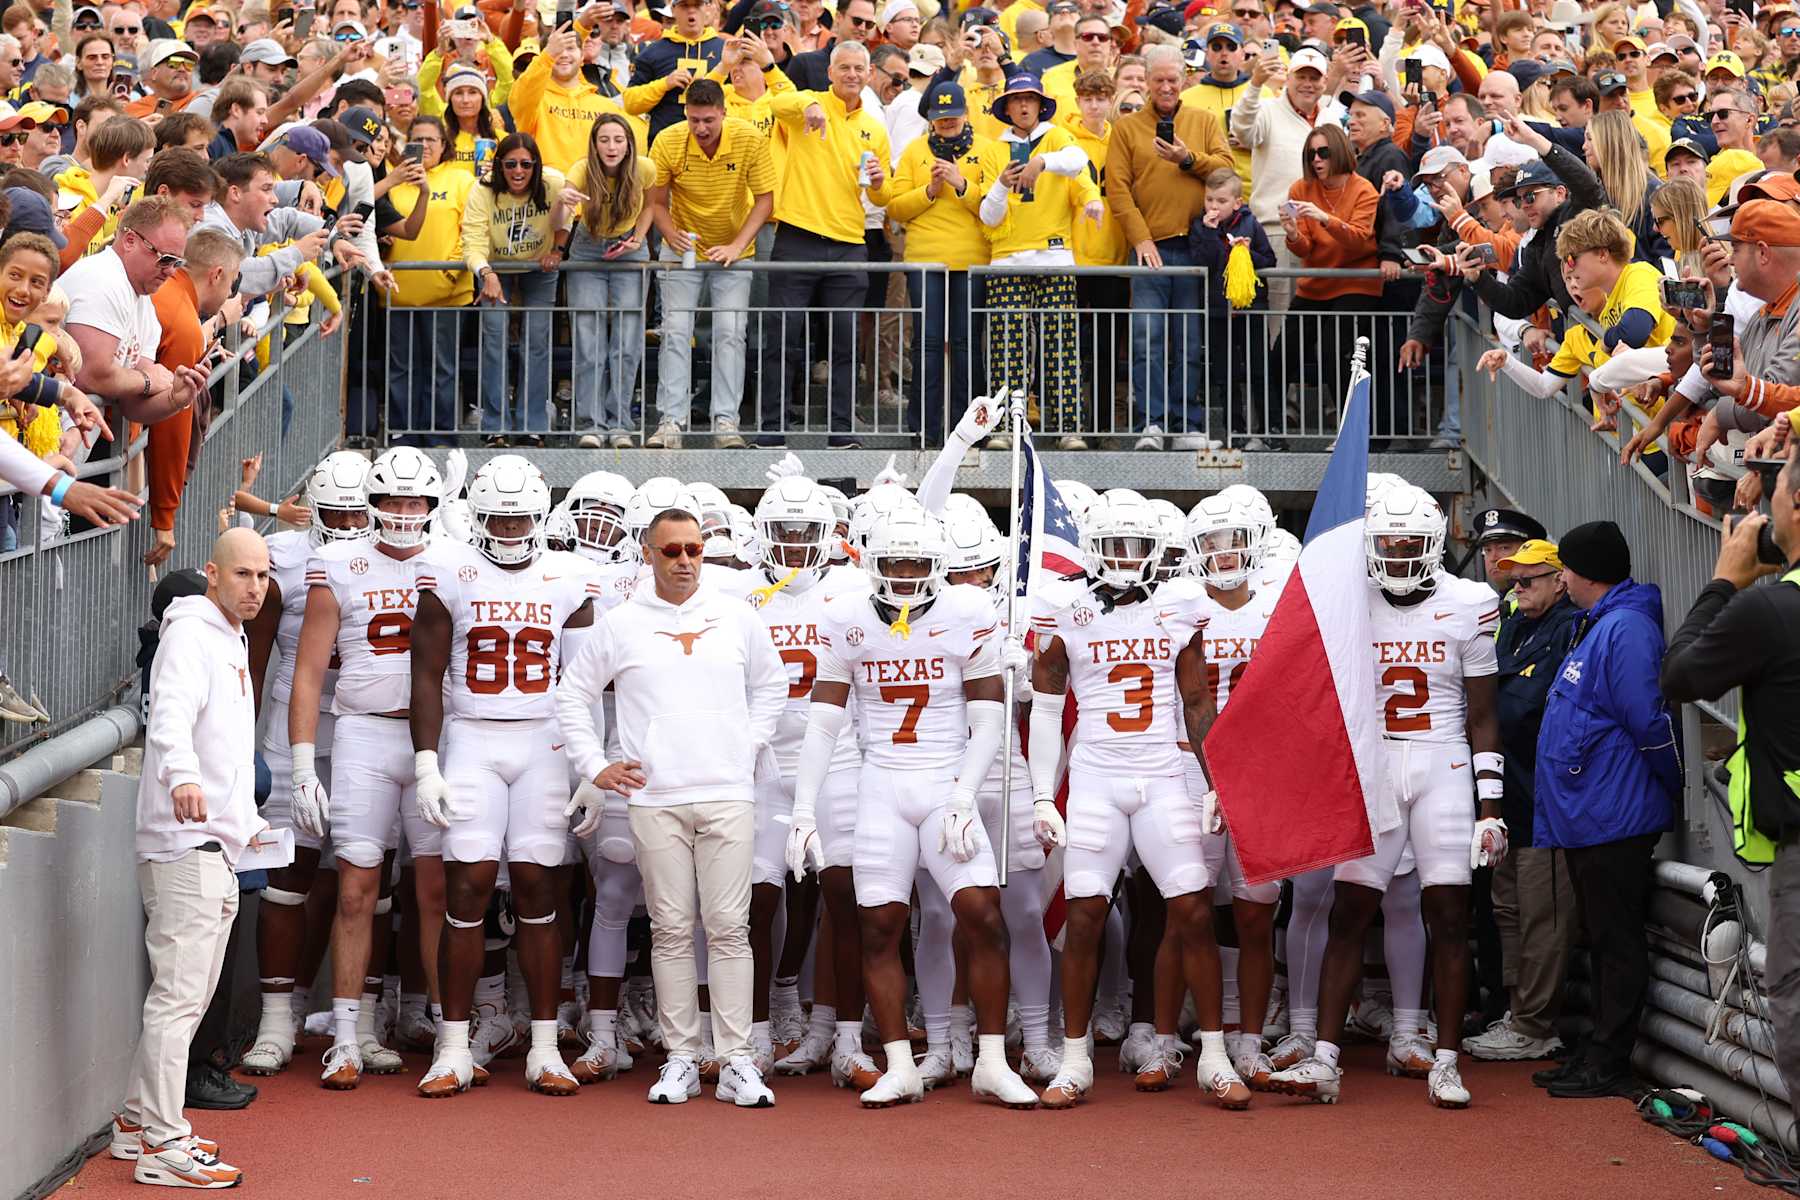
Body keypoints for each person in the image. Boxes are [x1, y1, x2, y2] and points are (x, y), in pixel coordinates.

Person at [787, 505, 1039, 1108]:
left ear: (939, 565)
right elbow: (822, 724)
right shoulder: (846, 617)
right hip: (881, 784)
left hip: (946, 779)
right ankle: (900, 1063)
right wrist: (802, 810)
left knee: (983, 915)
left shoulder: (968, 611)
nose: (904, 572)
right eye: (894, 561)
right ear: (872, 562)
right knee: (879, 926)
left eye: (917, 562)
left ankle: (993, 1062)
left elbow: (989, 720)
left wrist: (962, 794)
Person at [1270, 486, 1505, 1109]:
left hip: (1441, 764)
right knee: (1350, 912)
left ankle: (1447, 1061)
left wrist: (1491, 806)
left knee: (1450, 914)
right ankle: (1325, 1058)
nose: (1399, 556)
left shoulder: (1469, 603)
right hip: (1374, 770)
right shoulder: (1353, 602)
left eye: (1411, 545)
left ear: (1436, 547)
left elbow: (1483, 714)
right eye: (1387, 545)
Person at [555, 506, 788, 1107]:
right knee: (671, 930)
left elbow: (773, 685)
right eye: (671, 551)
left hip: (728, 794)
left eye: (693, 550)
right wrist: (594, 766)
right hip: (654, 799)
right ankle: (682, 1057)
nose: (684, 561)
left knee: (731, 930)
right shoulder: (621, 623)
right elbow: (573, 693)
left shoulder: (736, 616)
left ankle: (735, 1059)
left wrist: (749, 742)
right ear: (648, 553)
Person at [1027, 489, 1249, 1110]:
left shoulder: (1179, 605)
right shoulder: (1066, 606)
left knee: (1195, 912)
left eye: (1138, 548)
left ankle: (1213, 1055)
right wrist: (1045, 794)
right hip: (1097, 777)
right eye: (1114, 547)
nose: (1126, 559)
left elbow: (1198, 702)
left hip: (1160, 773)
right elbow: (1046, 707)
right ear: (1093, 551)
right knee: (1085, 916)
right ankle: (1075, 1060)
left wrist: (1214, 781)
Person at [408, 456, 595, 1098]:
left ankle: (544, 1045)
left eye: (520, 517)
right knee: (469, 887)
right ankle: (453, 1045)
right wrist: (426, 761)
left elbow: (585, 685)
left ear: (541, 515)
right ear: (477, 517)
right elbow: (426, 675)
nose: (511, 528)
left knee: (541, 887)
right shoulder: (450, 570)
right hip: (473, 735)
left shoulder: (569, 577)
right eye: (498, 517)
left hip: (544, 736)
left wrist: (589, 768)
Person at [287, 446, 447, 1091]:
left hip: (439, 739)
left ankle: (449, 1030)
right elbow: (306, 670)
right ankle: (349, 1035)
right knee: (356, 887)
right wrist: (303, 762)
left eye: (415, 502)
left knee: (436, 891)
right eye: (392, 502)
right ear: (371, 506)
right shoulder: (338, 563)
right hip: (362, 733)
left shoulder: (459, 560)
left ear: (434, 506)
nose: (404, 514)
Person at [116, 527, 269, 1190]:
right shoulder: (191, 633)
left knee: (186, 994)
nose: (255, 588)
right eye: (243, 575)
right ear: (213, 574)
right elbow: (172, 712)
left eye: (263, 576)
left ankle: (134, 1122)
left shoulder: (228, 635)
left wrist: (247, 824)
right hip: (186, 841)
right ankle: (162, 1141)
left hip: (214, 842)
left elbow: (230, 747)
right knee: (180, 998)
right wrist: (180, 774)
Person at [1660, 462, 1800, 1109]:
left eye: (1774, 491)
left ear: (1794, 508)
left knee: (1793, 991)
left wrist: (1723, 580)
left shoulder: (1773, 609)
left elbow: (1682, 674)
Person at [1531, 519, 1679, 1100]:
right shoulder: (1602, 624)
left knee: (1616, 941)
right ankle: (1596, 1050)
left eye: (1565, 566)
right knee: (1601, 937)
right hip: (1593, 811)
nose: (1560, 576)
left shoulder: (1625, 629)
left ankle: (1610, 1060)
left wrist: (1670, 785)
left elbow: (1648, 720)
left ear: (1584, 572)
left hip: (1614, 814)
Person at [237, 452, 371, 1079]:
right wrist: (244, 737)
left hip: (367, 734)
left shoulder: (400, 553)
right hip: (295, 727)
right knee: (288, 877)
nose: (346, 523)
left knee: (369, 882)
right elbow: (256, 658)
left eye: (355, 510)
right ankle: (275, 1018)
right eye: (334, 511)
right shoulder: (284, 555)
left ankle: (361, 1020)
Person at [1463, 533, 1581, 1062]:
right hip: (1507, 800)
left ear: (1561, 581)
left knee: (1541, 916)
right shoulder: (1511, 627)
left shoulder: (1568, 628)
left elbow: (1516, 709)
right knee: (1506, 909)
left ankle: (1536, 1024)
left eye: (1529, 577)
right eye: (1514, 577)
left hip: (1542, 802)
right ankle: (1518, 1013)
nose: (1518, 585)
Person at [760, 41, 895, 448]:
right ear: (830, 72)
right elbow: (776, 102)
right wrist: (807, 109)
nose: (852, 74)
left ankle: (842, 431)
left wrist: (878, 182)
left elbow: (883, 197)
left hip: (850, 243)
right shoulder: (807, 103)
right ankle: (771, 430)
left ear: (869, 75)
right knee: (783, 338)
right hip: (797, 236)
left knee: (843, 344)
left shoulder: (875, 126)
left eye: (859, 68)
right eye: (844, 68)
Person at [1105, 44, 1232, 451]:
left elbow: (1227, 170)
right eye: (1156, 79)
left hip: (1195, 248)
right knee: (1147, 341)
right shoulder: (1126, 128)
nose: (1164, 86)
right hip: (1151, 250)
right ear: (1145, 81)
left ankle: (1188, 423)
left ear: (1184, 80)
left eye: (1171, 80)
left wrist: (1187, 158)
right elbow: (1117, 189)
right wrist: (1141, 238)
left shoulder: (1204, 120)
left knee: (1190, 341)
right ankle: (1151, 423)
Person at [645, 77, 775, 451]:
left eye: (708, 120)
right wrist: (670, 234)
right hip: (682, 246)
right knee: (674, 331)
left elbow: (765, 200)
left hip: (734, 250)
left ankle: (726, 423)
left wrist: (736, 245)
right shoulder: (668, 139)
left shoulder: (749, 138)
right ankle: (671, 421)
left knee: (731, 333)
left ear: (723, 112)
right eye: (693, 120)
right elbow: (655, 202)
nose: (700, 128)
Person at [978, 71, 1101, 450]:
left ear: (1040, 104)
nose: (1024, 105)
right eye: (1016, 100)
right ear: (1007, 107)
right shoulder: (992, 148)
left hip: (1054, 256)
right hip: (1007, 258)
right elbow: (987, 216)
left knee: (1061, 344)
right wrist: (1000, 184)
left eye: (1030, 99)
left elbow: (1078, 159)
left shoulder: (1055, 136)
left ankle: (1069, 428)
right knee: (1006, 347)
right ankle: (1003, 428)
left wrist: (1041, 163)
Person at [889, 79, 996, 448]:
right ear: (930, 118)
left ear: (966, 113)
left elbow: (995, 210)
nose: (947, 122)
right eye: (940, 117)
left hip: (972, 260)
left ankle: (970, 431)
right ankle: (923, 429)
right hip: (926, 261)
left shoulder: (988, 149)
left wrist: (962, 184)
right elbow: (895, 207)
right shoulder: (915, 151)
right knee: (927, 345)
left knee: (967, 346)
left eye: (952, 115)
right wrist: (930, 192)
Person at [463, 130, 566, 447]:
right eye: (510, 164)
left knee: (537, 340)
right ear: (499, 166)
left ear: (536, 165)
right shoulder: (482, 189)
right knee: (494, 338)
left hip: (540, 266)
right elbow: (472, 241)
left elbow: (566, 220)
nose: (518, 171)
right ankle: (495, 424)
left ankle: (533, 423)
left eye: (526, 164)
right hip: (496, 266)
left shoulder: (554, 183)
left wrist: (558, 251)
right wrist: (486, 271)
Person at [564, 111, 654, 450]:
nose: (612, 146)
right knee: (589, 340)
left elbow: (651, 205)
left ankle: (620, 424)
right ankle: (590, 423)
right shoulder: (582, 169)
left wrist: (638, 238)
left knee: (627, 341)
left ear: (629, 144)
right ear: (595, 144)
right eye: (604, 140)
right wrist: (565, 201)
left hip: (630, 247)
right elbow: (567, 196)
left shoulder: (644, 168)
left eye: (618, 139)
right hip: (588, 247)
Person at [382, 116, 472, 446]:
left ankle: (440, 435)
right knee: (401, 367)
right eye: (418, 140)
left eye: (432, 140)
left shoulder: (462, 179)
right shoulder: (395, 183)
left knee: (443, 369)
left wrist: (451, 270)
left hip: (447, 294)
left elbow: (471, 230)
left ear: (445, 145)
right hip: (399, 293)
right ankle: (403, 433)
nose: (425, 146)